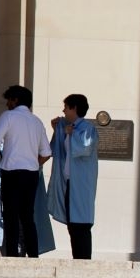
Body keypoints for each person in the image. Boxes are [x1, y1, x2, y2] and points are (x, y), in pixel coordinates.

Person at [0, 85, 51, 257]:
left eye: (9, 100)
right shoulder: (37, 121)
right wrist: (33, 164)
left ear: (15, 100)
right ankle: (33, 254)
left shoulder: (8, 116)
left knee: (10, 215)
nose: (7, 103)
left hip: (12, 172)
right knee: (27, 217)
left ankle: (12, 255)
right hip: (31, 175)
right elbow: (47, 153)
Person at [48, 94, 99, 259]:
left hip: (81, 184)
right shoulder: (68, 127)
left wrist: (70, 134)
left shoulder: (87, 128)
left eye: (66, 107)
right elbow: (56, 151)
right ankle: (77, 258)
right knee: (72, 224)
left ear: (74, 108)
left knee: (81, 224)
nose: (63, 111)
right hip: (70, 182)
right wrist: (58, 131)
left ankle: (83, 260)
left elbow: (84, 149)